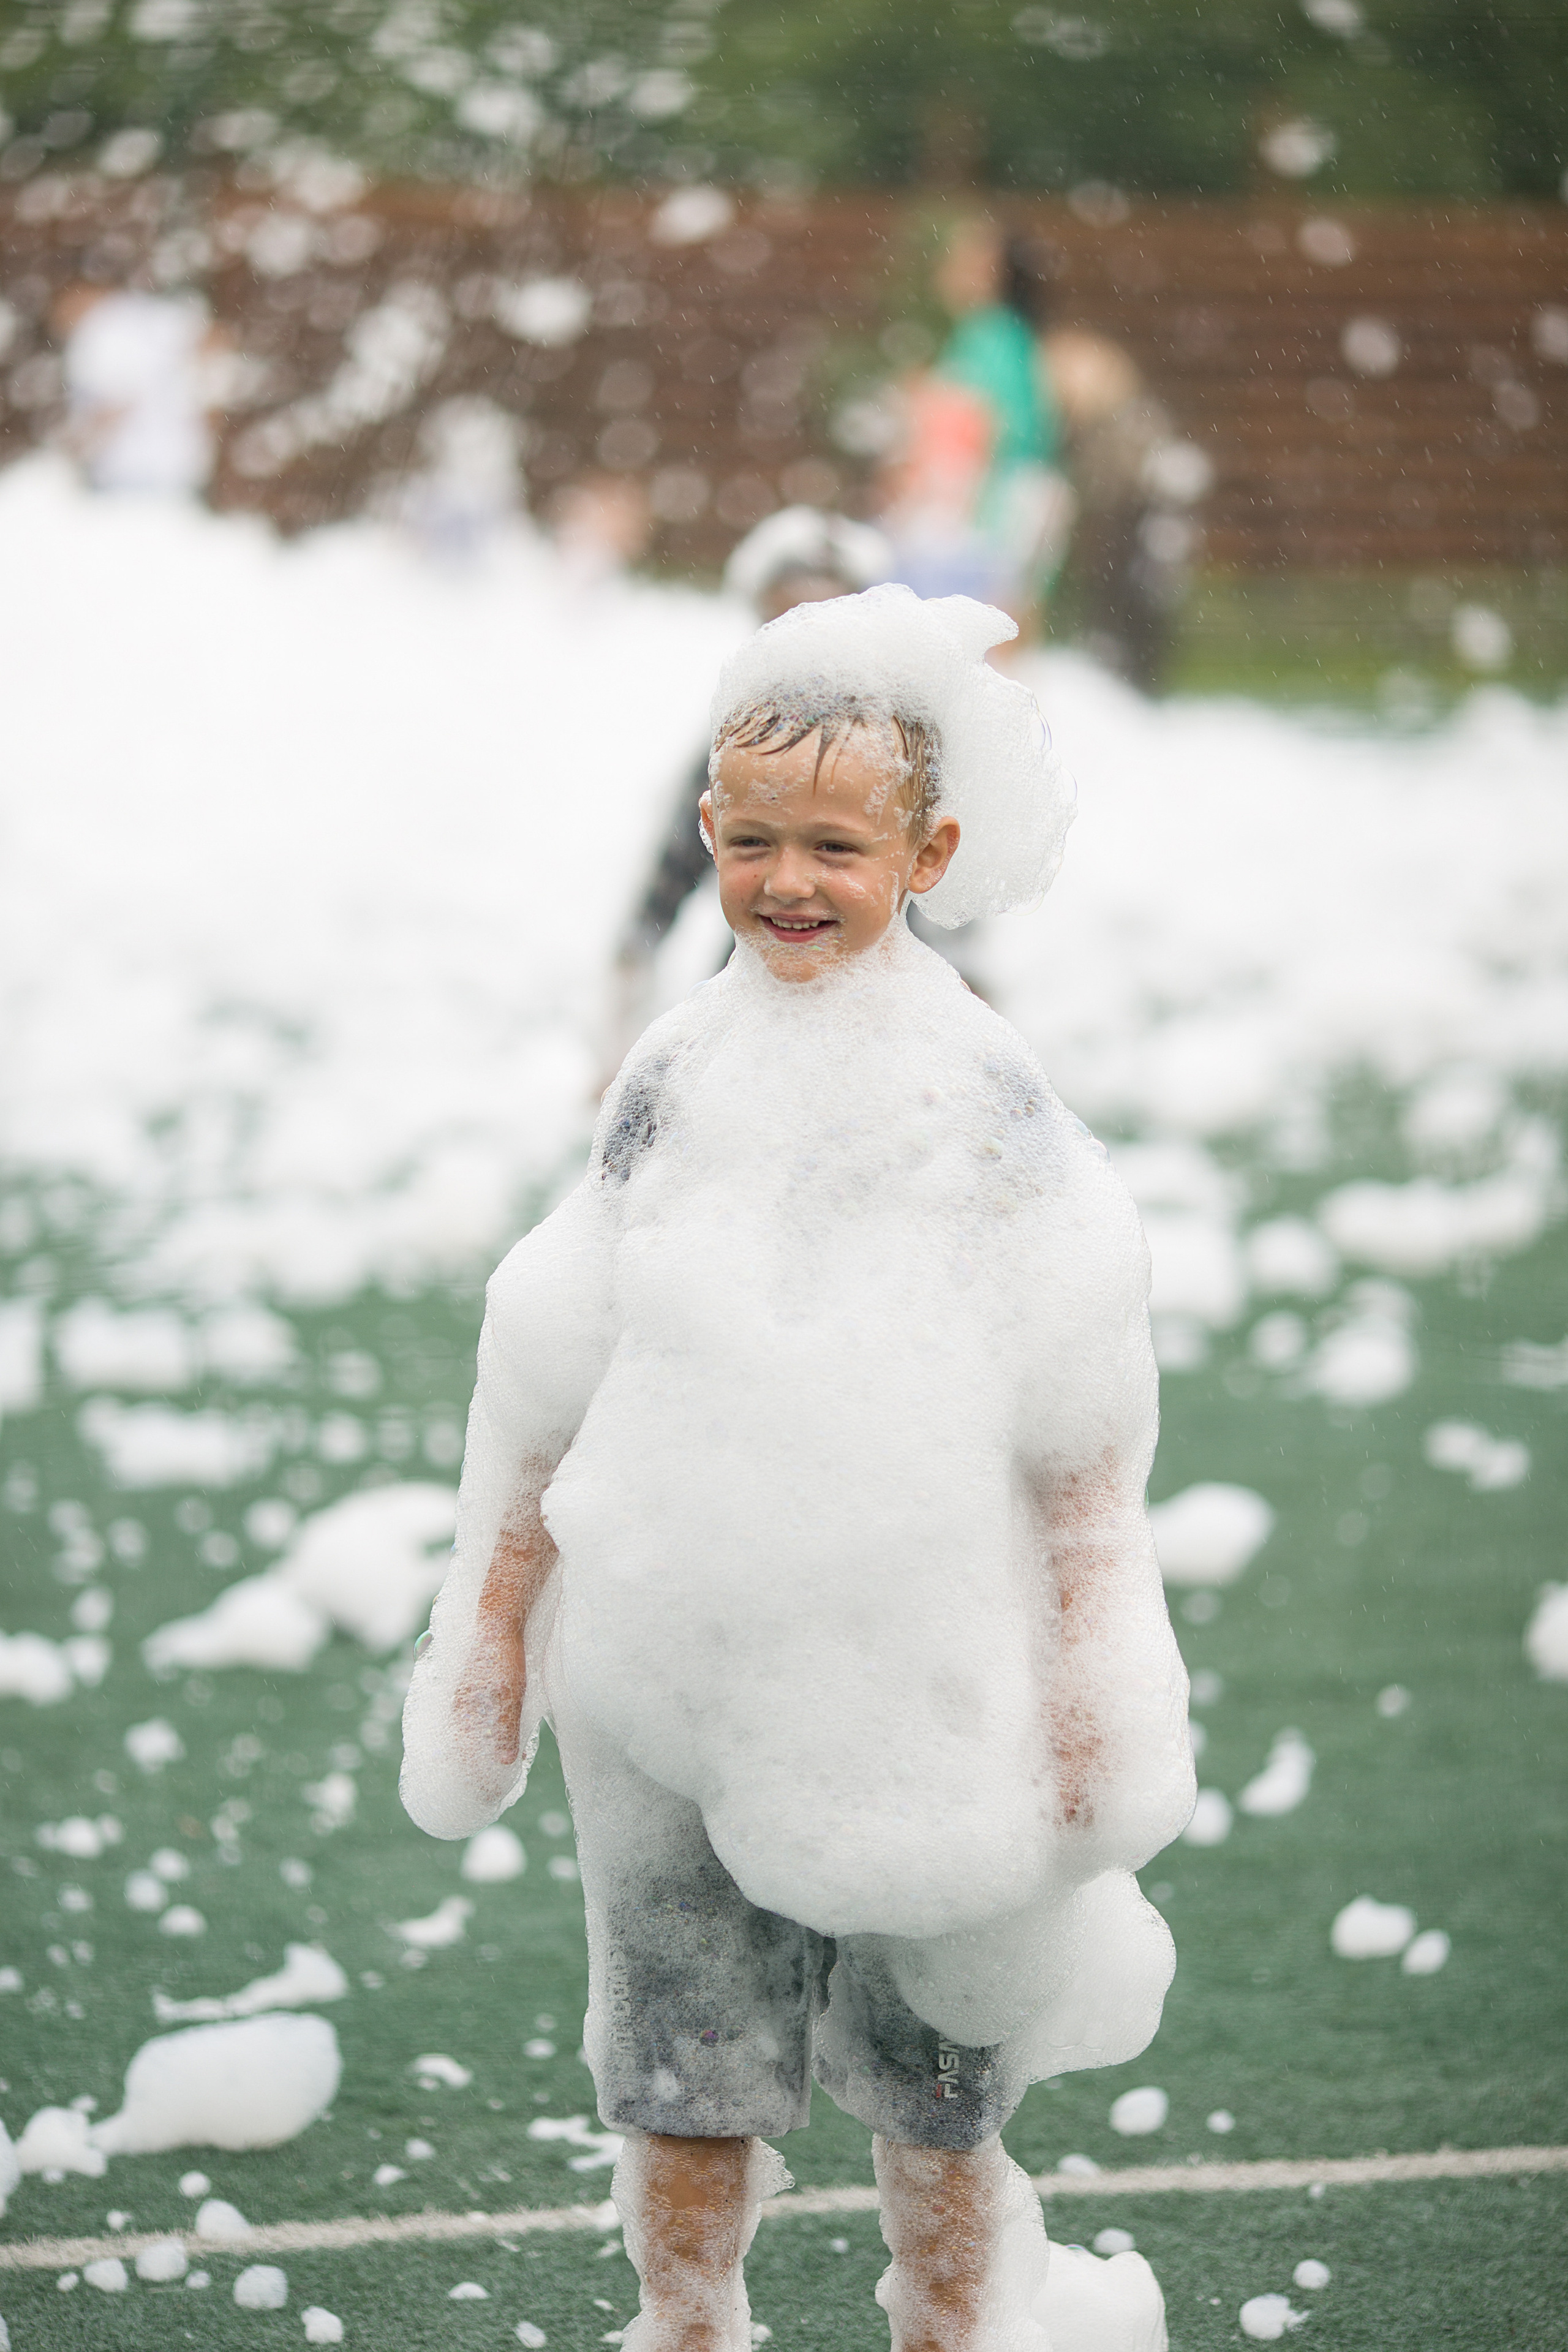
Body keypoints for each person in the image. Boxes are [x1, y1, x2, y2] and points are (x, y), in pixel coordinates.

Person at [401, 586, 1192, 2352]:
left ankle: (955, 2328)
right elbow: (551, 1362)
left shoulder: (985, 1104)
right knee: (681, 2081)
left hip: (925, 1694)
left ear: (933, 848)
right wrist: (489, 1631)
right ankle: (689, 2328)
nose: (790, 880)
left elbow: (1080, 1447)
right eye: (754, 839)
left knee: (939, 2102)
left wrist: (1094, 1696)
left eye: (837, 842)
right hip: (672, 1672)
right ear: (708, 831)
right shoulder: (674, 1079)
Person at [612, 506, 892, 1057]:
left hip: (872, 996)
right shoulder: (735, 747)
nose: (807, 640)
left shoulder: (894, 750)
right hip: (753, 989)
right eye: (788, 617)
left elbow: (945, 913)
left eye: (829, 616)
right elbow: (662, 893)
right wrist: (619, 1044)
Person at [879, 220, 1073, 640]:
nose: (948, 266)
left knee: (983, 631)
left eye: (963, 257)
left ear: (993, 272)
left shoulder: (992, 334)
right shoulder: (1004, 335)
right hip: (1013, 499)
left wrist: (922, 403)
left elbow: (980, 428)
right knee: (998, 632)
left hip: (996, 504)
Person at [55, 284, 228, 497]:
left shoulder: (108, 329)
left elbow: (212, 343)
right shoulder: (131, 322)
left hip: (144, 473)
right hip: (149, 474)